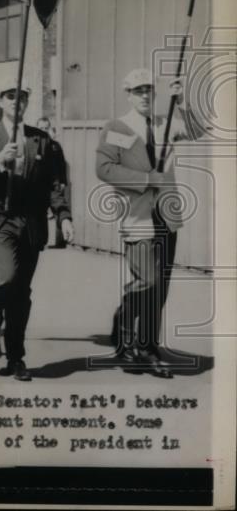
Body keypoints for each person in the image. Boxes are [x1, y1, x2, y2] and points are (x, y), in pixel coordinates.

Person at [0, 83, 73, 381]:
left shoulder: (41, 140)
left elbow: (54, 183)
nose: (17, 102)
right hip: (0, 217)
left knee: (21, 293)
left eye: (23, 97)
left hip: (32, 221)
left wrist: (63, 215)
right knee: (5, 279)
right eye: (11, 96)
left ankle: (16, 357)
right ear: (1, 101)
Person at [95, 68, 190, 379]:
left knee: (160, 287)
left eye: (149, 89)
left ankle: (148, 347)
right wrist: (148, 179)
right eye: (138, 90)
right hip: (137, 216)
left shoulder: (166, 123)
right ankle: (124, 335)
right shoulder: (118, 127)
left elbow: (200, 129)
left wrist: (183, 98)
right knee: (146, 280)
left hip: (167, 215)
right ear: (128, 94)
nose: (145, 95)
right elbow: (105, 169)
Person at [36, 117, 70, 249]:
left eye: (46, 128)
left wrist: (63, 181)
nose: (43, 130)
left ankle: (58, 240)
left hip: (54, 184)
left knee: (57, 211)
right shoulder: (33, 145)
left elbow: (62, 164)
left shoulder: (55, 145)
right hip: (38, 184)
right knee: (40, 212)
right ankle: (40, 240)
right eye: (41, 128)